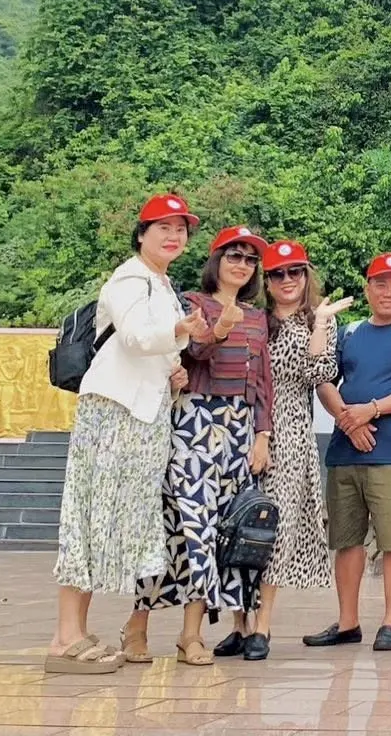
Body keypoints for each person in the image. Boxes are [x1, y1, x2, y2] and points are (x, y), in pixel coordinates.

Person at [45, 193, 204, 675]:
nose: (174, 236)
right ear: (141, 235)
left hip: (143, 416)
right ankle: (65, 636)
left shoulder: (162, 284)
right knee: (89, 515)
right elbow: (135, 335)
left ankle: (75, 630)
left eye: (181, 229)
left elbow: (154, 351)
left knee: (106, 520)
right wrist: (181, 329)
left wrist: (174, 372)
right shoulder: (130, 278)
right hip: (114, 411)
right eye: (163, 228)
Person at [131, 223, 275, 667]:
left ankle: (190, 634)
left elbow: (262, 382)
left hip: (237, 429)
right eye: (234, 255)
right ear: (216, 260)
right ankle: (137, 626)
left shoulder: (257, 317)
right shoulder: (192, 302)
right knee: (183, 527)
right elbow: (193, 354)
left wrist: (262, 435)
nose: (242, 265)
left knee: (216, 532)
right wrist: (219, 330)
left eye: (250, 259)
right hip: (195, 421)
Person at [306, 252, 391, 654]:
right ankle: (348, 623)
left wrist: (373, 409)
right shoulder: (348, 333)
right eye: (380, 283)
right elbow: (324, 380)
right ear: (367, 288)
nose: (388, 292)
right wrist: (349, 420)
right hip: (345, 453)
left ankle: (390, 622)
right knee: (346, 541)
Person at [247, 239, 350, 661]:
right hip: (244, 426)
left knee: (274, 526)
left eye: (295, 272)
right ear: (267, 281)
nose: (287, 280)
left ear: (306, 276)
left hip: (289, 432)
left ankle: (263, 625)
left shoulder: (318, 321)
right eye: (278, 273)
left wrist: (320, 326)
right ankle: (239, 623)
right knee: (237, 524)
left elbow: (318, 373)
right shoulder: (255, 320)